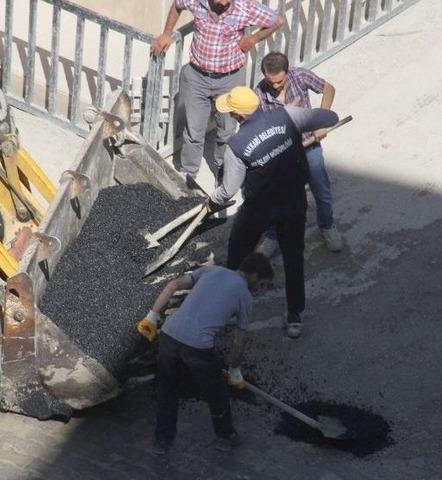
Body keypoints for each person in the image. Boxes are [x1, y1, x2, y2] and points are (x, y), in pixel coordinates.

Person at [208, 86, 339, 339]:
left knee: (237, 252)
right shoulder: (286, 115)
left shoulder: (236, 146)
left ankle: (227, 306)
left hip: (259, 209)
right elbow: (329, 118)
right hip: (293, 201)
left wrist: (211, 201)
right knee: (293, 256)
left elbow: (228, 191)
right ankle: (294, 316)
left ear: (238, 116)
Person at [136, 253, 274, 455]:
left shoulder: (211, 270)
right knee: (217, 393)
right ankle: (225, 437)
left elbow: (172, 285)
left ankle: (162, 441)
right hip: (197, 348)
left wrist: (151, 317)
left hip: (168, 336)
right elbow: (239, 339)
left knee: (167, 389)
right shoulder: (244, 295)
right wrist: (234, 369)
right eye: (261, 284)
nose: (260, 289)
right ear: (253, 276)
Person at [151, 0, 284, 186]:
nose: (224, 4)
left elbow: (277, 21)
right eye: (220, 1)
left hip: (229, 79)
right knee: (193, 133)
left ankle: (222, 174)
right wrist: (166, 34)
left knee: (226, 132)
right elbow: (177, 5)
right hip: (197, 77)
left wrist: (253, 38)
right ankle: (187, 178)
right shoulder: (195, 1)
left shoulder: (244, 6)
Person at [255, 51, 343, 254]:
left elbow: (328, 89)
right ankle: (272, 236)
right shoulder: (259, 93)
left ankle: (327, 226)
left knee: (322, 192)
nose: (275, 86)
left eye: (279, 82)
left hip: (309, 147)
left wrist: (322, 119)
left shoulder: (300, 76)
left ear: (287, 72)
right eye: (271, 82)